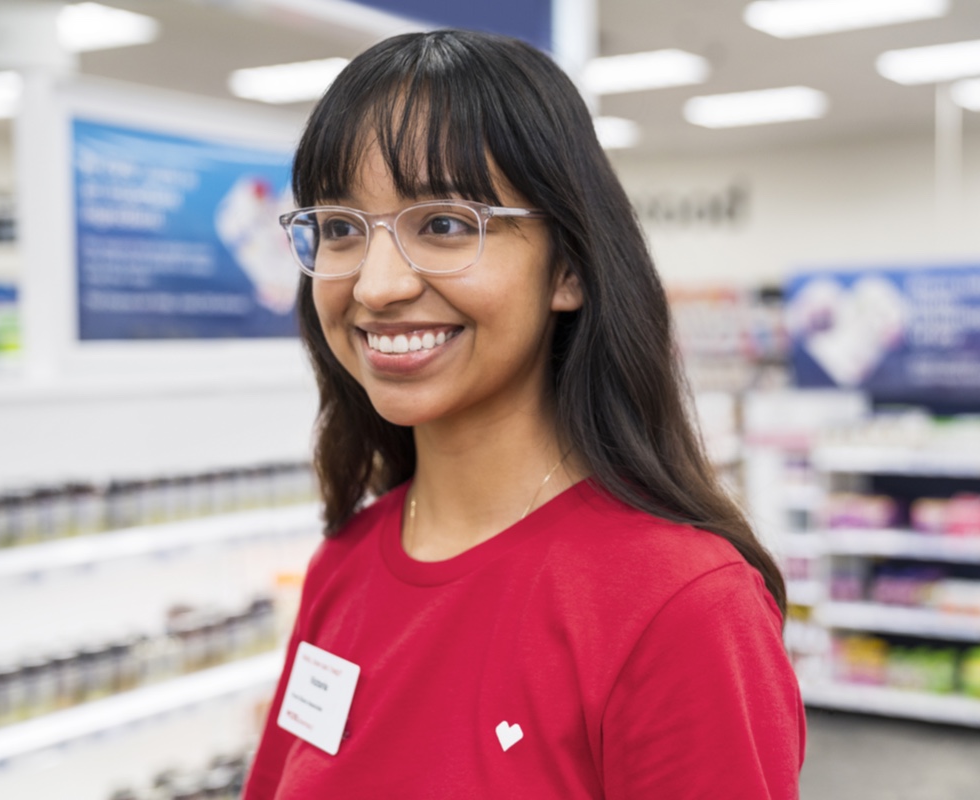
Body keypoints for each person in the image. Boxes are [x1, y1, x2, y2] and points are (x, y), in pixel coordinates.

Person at [244, 28, 805, 799]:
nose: (375, 285)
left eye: (442, 225)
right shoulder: (345, 563)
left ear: (568, 267)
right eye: (340, 228)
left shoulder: (681, 607)